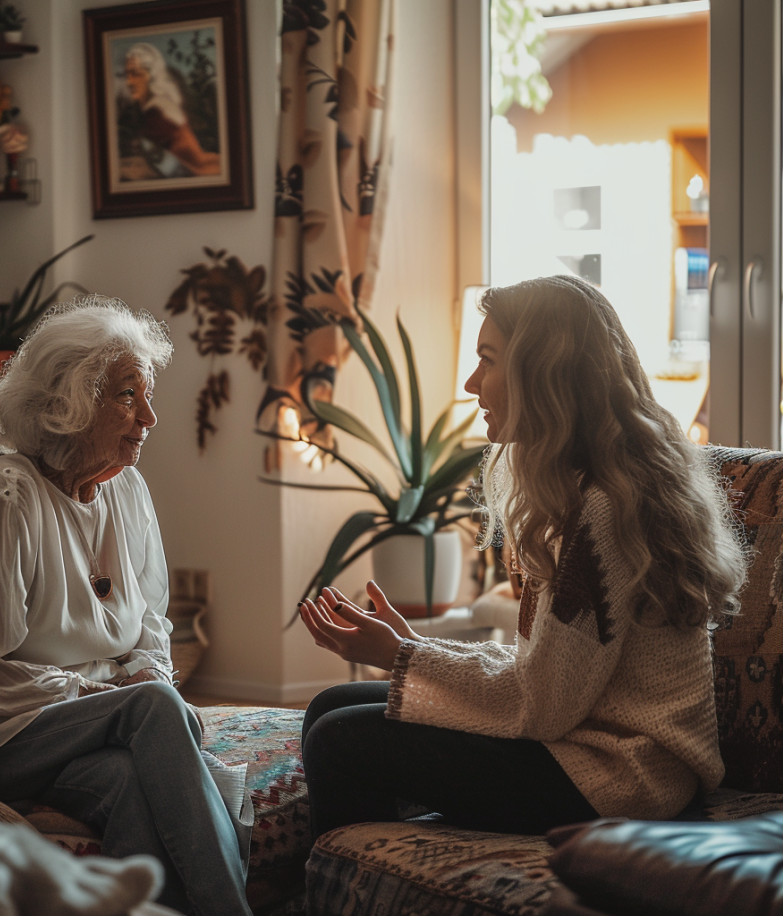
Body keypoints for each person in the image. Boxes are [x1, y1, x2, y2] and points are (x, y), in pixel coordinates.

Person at [299, 275, 747, 840]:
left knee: (338, 739)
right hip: (585, 741)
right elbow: (548, 681)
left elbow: (541, 706)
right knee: (332, 705)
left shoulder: (600, 512)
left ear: (546, 374)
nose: (471, 382)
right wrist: (410, 649)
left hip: (621, 777)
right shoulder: (596, 487)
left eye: (487, 360)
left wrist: (404, 656)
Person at [0, 297, 253, 916]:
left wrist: (148, 674)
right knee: (150, 708)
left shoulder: (127, 487)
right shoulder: (3, 495)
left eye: (146, 396)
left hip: (79, 729)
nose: (148, 416)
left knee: (127, 781)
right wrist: (118, 696)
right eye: (126, 396)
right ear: (68, 401)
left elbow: (150, 624)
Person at [122, 43, 221, 178]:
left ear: (151, 75)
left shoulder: (156, 112)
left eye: (135, 74)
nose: (129, 82)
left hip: (200, 174)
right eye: (127, 74)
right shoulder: (160, 105)